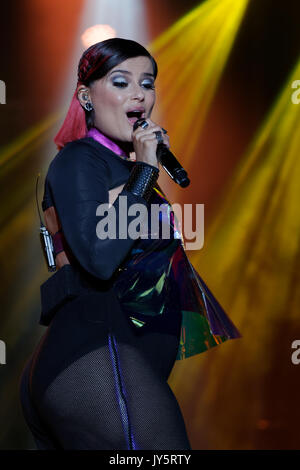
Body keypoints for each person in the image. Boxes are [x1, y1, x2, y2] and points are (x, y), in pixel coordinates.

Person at [18, 38, 241, 450]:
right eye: (121, 82)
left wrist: (142, 171)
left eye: (148, 83)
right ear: (86, 96)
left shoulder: (127, 169)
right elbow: (100, 260)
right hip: (93, 352)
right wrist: (143, 171)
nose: (139, 94)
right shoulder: (79, 161)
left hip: (121, 362)